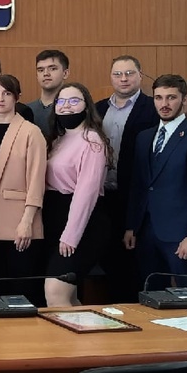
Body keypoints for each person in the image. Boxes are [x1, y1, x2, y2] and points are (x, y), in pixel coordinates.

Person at [125, 74, 187, 291]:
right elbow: (138, 185)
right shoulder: (144, 137)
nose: (164, 104)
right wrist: (131, 226)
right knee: (151, 295)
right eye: (158, 98)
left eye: (171, 97)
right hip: (145, 232)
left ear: (185, 99)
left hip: (181, 234)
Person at [0, 73, 46, 284]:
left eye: (6, 93)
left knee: (17, 287)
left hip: (18, 221)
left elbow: (36, 181)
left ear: (17, 97)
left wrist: (27, 221)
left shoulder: (31, 132)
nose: (0, 98)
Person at [95, 54, 159, 302]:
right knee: (108, 259)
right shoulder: (98, 109)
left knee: (136, 261)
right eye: (118, 74)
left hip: (135, 196)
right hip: (102, 196)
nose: (124, 78)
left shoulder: (152, 108)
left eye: (129, 73)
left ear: (140, 76)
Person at [42, 82, 112, 306]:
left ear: (86, 106)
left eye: (74, 101)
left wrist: (71, 235)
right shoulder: (57, 139)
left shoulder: (92, 140)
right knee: (69, 296)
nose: (66, 106)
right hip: (56, 219)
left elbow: (86, 193)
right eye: (61, 101)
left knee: (55, 291)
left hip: (82, 225)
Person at [29, 49, 70, 135]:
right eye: (40, 70)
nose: (46, 73)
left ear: (65, 73)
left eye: (52, 69)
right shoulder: (27, 110)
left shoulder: (73, 109)